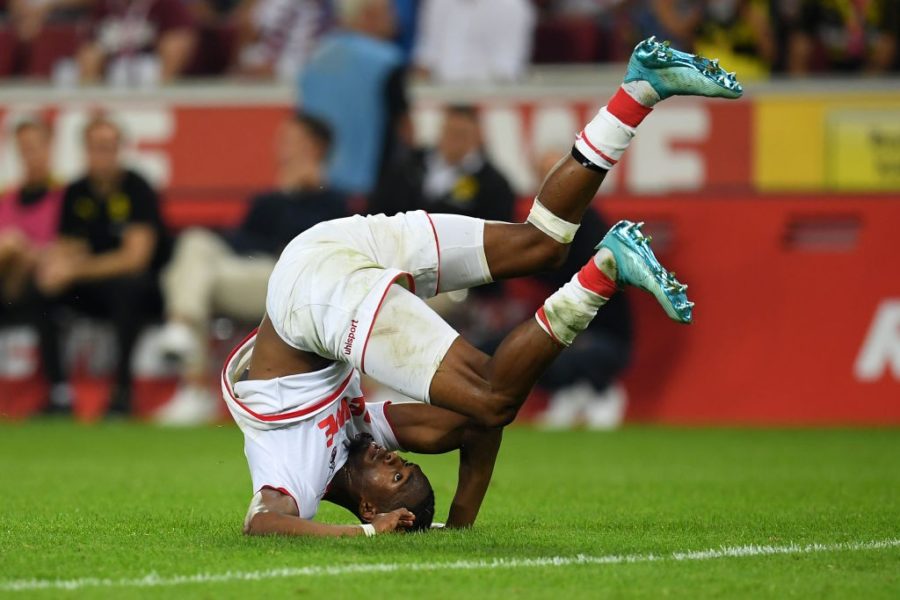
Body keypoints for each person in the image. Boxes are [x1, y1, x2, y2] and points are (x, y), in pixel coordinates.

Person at [223, 37, 742, 537]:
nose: (394, 459)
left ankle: (604, 271)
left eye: (396, 475)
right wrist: (462, 520)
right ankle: (640, 89)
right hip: (332, 248)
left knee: (492, 395)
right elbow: (476, 424)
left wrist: (365, 535)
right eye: (406, 467)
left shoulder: (297, 471)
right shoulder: (362, 438)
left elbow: (261, 522)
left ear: (367, 507)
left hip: (312, 295)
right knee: (541, 245)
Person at [155, 112, 345, 425]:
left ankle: (193, 377)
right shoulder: (270, 198)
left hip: (294, 288)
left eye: (291, 140)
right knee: (194, 244)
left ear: (316, 148)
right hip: (252, 276)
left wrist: (304, 194)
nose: (281, 147)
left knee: (181, 277)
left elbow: (309, 249)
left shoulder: (333, 200)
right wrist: (284, 197)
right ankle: (187, 352)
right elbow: (242, 242)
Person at [35, 115, 171, 415]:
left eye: (109, 146)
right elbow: (67, 247)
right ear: (85, 149)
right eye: (96, 146)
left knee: (128, 289)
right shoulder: (75, 192)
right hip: (92, 288)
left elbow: (135, 259)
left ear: (121, 148)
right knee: (44, 290)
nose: (103, 153)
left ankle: (122, 392)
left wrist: (76, 268)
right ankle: (58, 393)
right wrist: (56, 268)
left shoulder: (137, 188)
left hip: (142, 290)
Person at [299, 0, 411, 196]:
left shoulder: (316, 55)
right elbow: (403, 124)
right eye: (388, 13)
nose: (396, 20)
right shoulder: (386, 60)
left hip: (320, 176)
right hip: (371, 180)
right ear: (368, 16)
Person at [369, 105, 515, 223]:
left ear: (476, 137)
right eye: (449, 132)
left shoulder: (493, 184)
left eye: (461, 134)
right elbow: (379, 210)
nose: (454, 141)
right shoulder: (409, 166)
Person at [0, 119, 63, 310]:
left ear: (48, 147)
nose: (30, 154)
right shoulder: (6, 198)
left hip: (41, 276)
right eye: (24, 148)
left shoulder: (65, 196)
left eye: (35, 146)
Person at [77, 0, 196, 86]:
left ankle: (162, 92)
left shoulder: (167, 4)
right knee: (90, 55)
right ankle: (90, 100)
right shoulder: (104, 6)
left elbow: (180, 37)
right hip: (114, 67)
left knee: (174, 45)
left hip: (152, 66)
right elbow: (90, 43)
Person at [413, 0, 536, 83]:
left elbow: (508, 70)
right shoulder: (436, 3)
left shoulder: (513, 6)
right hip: (437, 100)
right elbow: (427, 56)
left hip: (489, 102)